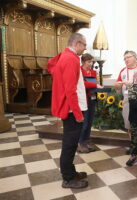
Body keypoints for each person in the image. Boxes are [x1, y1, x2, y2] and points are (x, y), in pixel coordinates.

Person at [47, 33, 88, 189]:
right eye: (84, 44)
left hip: (71, 109)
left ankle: (71, 172)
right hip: (72, 111)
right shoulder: (70, 59)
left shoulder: (65, 56)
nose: (85, 48)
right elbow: (70, 90)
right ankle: (68, 178)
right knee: (70, 145)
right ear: (77, 43)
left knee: (70, 143)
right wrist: (78, 114)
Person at [115, 51, 137, 153]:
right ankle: (134, 145)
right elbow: (117, 84)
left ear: (135, 57)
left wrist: (132, 84)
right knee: (130, 123)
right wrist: (119, 84)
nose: (126, 59)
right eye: (124, 58)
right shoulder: (123, 70)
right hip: (128, 99)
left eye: (128, 57)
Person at [77, 53, 103, 153]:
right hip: (83, 99)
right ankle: (80, 142)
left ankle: (87, 141)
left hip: (92, 98)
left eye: (92, 61)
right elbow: (82, 84)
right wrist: (95, 84)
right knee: (85, 121)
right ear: (83, 62)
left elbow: (95, 84)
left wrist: (98, 86)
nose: (91, 64)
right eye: (89, 62)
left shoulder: (93, 72)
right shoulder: (79, 70)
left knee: (90, 121)